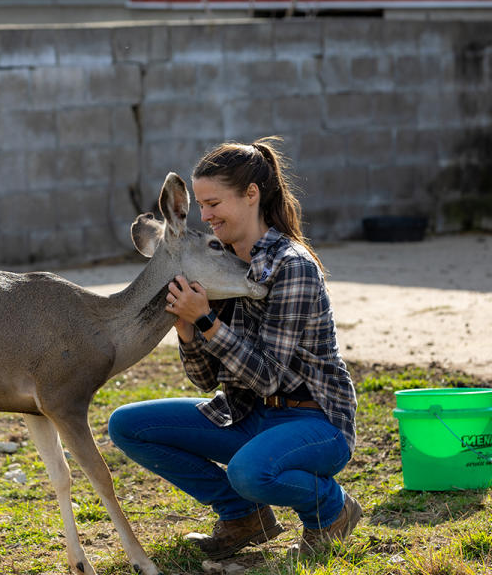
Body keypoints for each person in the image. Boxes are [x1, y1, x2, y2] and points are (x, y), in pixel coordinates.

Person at [108, 137, 360, 560]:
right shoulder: (218, 259)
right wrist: (188, 329)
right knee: (127, 426)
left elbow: (269, 375)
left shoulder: (292, 265)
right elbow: (207, 379)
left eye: (213, 203)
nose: (205, 216)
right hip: (248, 414)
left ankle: (330, 511)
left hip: (316, 420)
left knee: (249, 471)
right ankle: (244, 517)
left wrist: (208, 320)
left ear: (251, 195)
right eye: (200, 206)